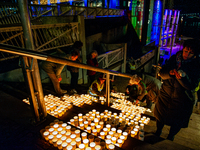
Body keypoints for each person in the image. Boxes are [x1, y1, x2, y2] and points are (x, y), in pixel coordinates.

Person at [153, 39, 200, 141]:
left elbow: (192, 86)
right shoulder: (175, 58)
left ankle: (171, 136)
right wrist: (170, 73)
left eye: (190, 53)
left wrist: (182, 78)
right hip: (166, 95)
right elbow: (162, 73)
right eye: (185, 51)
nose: (186, 54)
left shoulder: (197, 65)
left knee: (176, 121)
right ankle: (158, 132)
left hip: (182, 100)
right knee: (160, 116)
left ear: (195, 54)